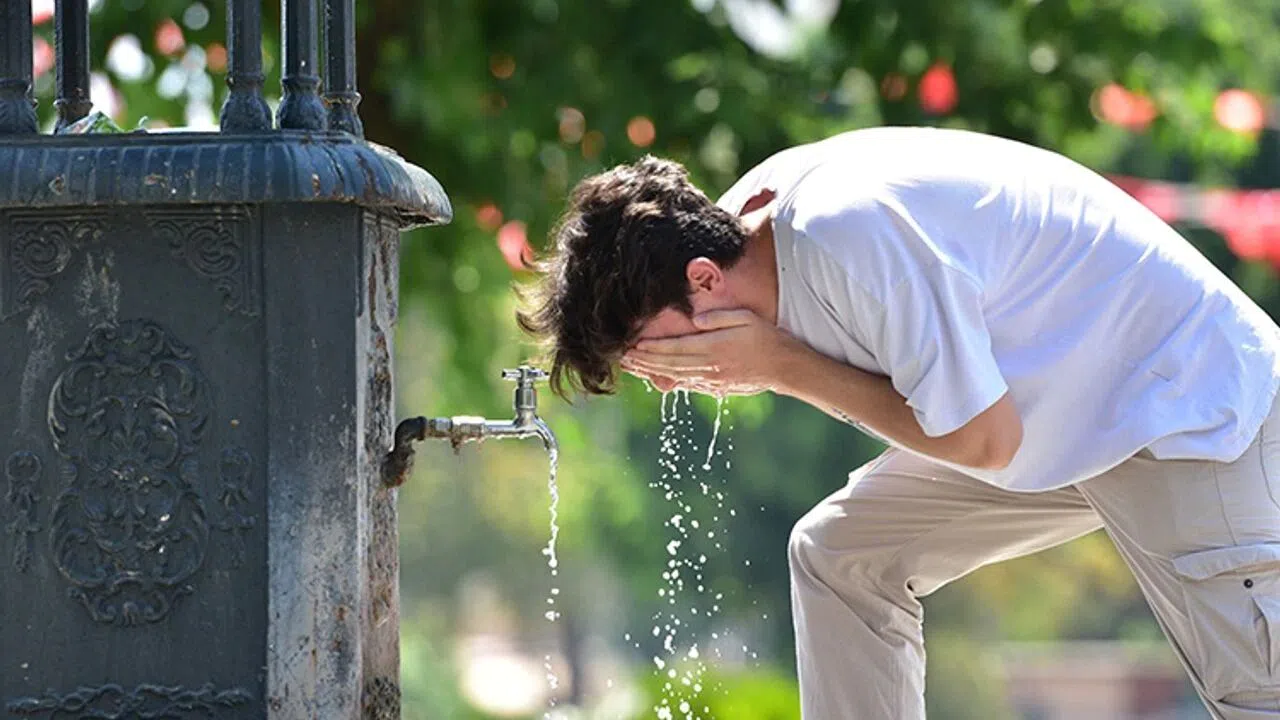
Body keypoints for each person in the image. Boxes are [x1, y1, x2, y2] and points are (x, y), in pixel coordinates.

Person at [516, 126, 1280, 719]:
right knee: (841, 556)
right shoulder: (752, 234)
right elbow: (973, 425)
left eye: (650, 351)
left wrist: (781, 365)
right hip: (1051, 413)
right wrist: (775, 360)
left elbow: (985, 441)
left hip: (1180, 408)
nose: (660, 377)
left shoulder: (846, 236)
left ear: (704, 280)